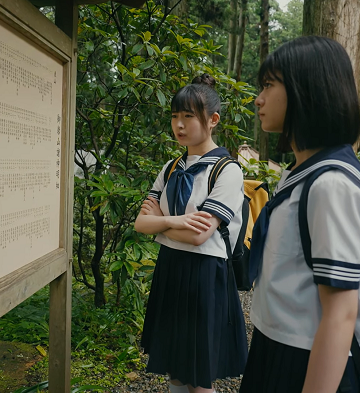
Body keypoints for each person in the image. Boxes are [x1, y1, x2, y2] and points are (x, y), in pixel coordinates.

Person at [239, 36, 360, 392]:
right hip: (278, 346)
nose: (258, 99)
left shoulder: (331, 185)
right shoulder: (303, 173)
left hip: (308, 359)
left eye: (269, 85)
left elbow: (340, 314)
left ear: (308, 90)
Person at [134, 73, 248, 393]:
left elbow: (199, 237)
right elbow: (139, 223)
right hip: (171, 268)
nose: (179, 125)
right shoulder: (171, 167)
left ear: (212, 120)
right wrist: (178, 222)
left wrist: (162, 221)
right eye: (174, 116)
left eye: (188, 117)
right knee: (174, 370)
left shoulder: (227, 171)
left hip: (204, 275)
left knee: (198, 377)